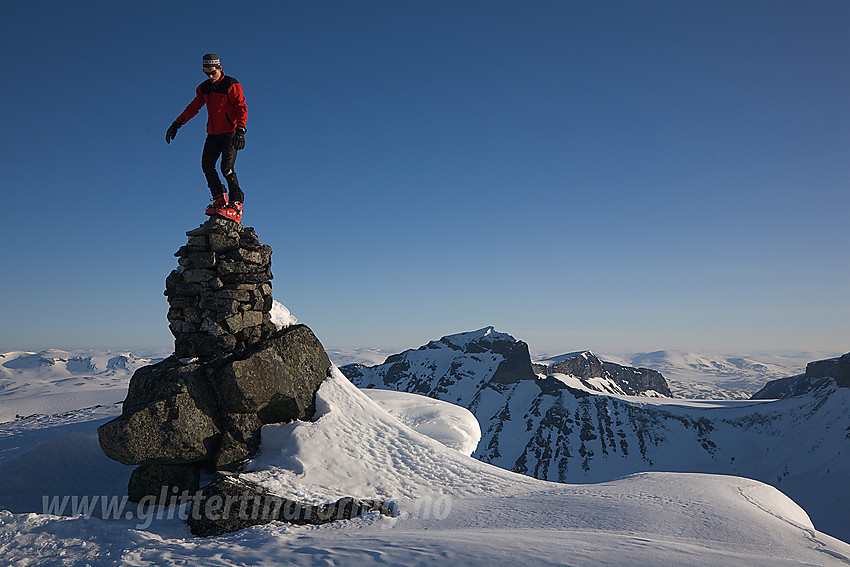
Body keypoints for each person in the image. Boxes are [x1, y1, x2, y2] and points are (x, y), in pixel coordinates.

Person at [166, 54, 247, 222]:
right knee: (207, 166)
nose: (210, 77)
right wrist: (177, 123)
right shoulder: (204, 88)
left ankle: (236, 204)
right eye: (206, 73)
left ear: (220, 68)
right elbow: (194, 107)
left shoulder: (231, 85)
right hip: (212, 134)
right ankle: (219, 201)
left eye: (212, 73)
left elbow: (241, 106)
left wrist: (240, 130)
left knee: (227, 168)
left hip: (230, 133)